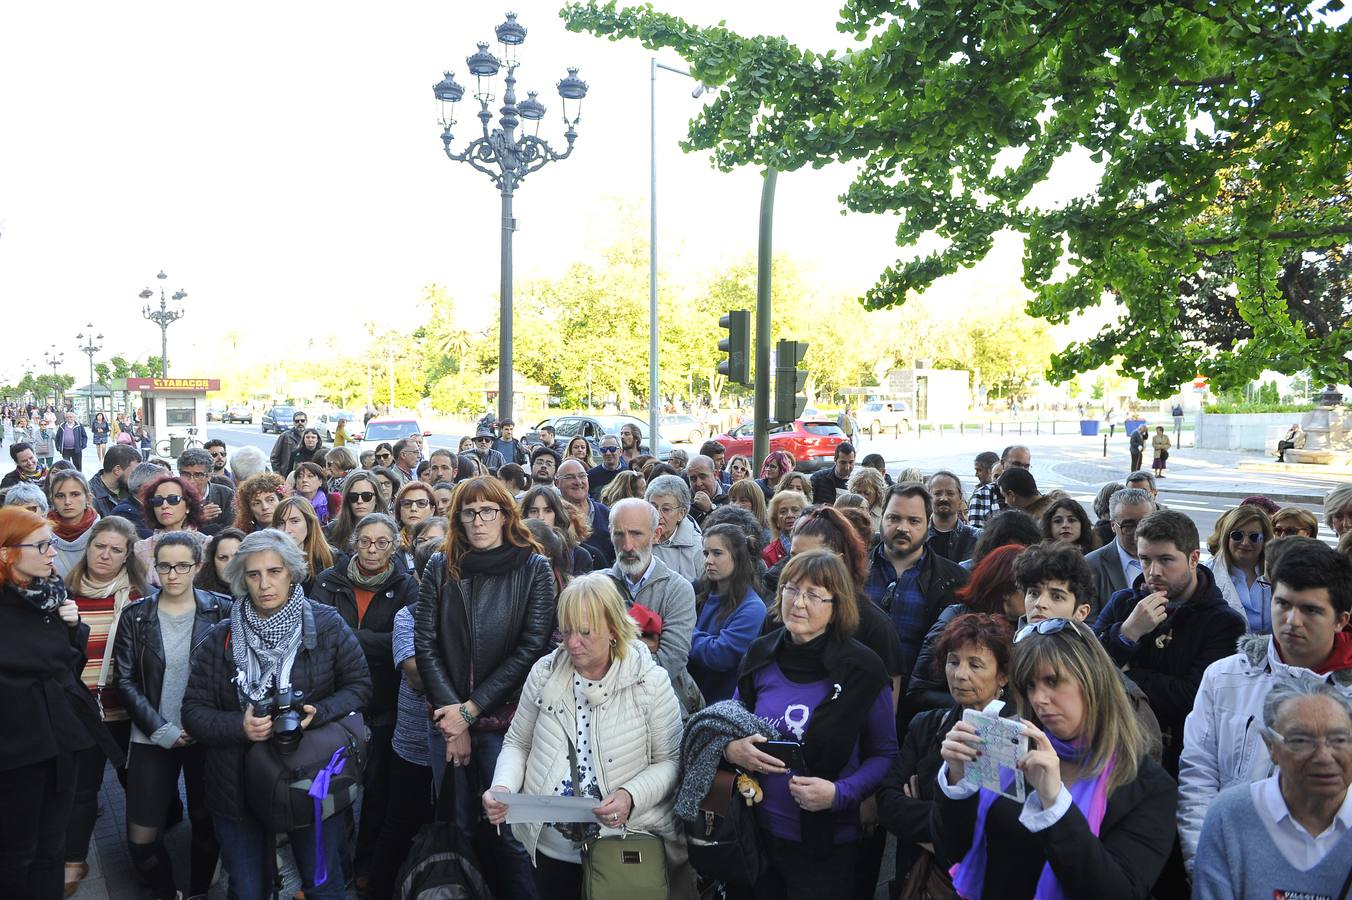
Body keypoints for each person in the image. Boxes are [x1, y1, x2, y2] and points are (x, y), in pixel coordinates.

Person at [181, 528, 372, 900]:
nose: (264, 584)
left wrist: (318, 714)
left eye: (274, 571)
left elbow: (360, 686)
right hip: (235, 783)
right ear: (241, 579)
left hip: (309, 777)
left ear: (291, 572)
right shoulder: (222, 636)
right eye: (253, 574)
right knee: (249, 889)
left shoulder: (326, 623)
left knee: (322, 885)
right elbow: (193, 711)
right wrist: (240, 726)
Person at [482, 573, 693, 899]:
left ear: (612, 629)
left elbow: (670, 760)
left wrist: (630, 795)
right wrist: (503, 786)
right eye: (566, 631)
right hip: (551, 846)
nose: (571, 643)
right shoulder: (544, 672)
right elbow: (518, 743)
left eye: (584, 632)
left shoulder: (649, 681)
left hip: (623, 843)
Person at [935, 617, 1176, 898]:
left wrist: (1055, 805)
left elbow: (1118, 891)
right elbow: (952, 850)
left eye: (1052, 681)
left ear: (1093, 680)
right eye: (1030, 686)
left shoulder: (1149, 786)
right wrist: (957, 781)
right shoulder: (1014, 744)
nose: (1039, 699)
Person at [722, 550, 897, 899]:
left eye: (814, 594)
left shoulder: (862, 669)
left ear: (837, 606)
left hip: (827, 842)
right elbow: (729, 720)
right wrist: (732, 748)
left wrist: (839, 794)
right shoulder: (760, 654)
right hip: (756, 835)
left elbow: (885, 753)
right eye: (790, 589)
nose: (798, 603)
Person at [414, 476, 554, 898]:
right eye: (469, 512)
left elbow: (531, 648)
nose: (478, 521)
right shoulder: (441, 565)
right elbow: (426, 644)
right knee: (457, 829)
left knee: (510, 829)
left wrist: (471, 711)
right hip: (448, 718)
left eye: (488, 511)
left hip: (507, 721)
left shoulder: (534, 567)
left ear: (506, 515)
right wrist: (454, 718)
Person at [1177, 537, 1352, 874]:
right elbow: (1198, 776)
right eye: (1282, 604)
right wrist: (1204, 864)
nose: (1291, 620)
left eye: (1310, 610)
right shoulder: (1224, 677)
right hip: (1229, 862)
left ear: (1341, 619)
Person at [0, 507, 125, 900]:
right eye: (41, 545)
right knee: (17, 850)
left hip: (62, 740)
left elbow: (69, 665)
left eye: (51, 543)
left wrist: (74, 628)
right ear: (7, 554)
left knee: (52, 845)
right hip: (17, 748)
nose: (53, 552)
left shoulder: (51, 596)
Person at [113, 532, 228, 900]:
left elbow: (233, 675)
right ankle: (166, 891)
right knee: (141, 838)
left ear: (197, 566)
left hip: (206, 734)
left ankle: (197, 891)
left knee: (206, 824)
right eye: (164, 566)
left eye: (182, 566)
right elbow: (126, 680)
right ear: (154, 567)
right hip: (152, 733)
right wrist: (159, 727)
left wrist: (207, 722)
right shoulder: (136, 615)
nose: (172, 574)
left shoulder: (222, 609)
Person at [311, 511, 419, 894]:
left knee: (376, 791)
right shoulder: (328, 581)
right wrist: (374, 639)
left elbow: (403, 642)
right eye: (365, 541)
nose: (372, 550)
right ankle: (333, 865)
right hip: (332, 705)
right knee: (331, 790)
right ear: (353, 543)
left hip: (383, 705)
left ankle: (365, 862)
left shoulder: (408, 587)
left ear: (395, 546)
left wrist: (351, 637)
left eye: (382, 543)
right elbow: (318, 636)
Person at [1093, 508, 1247, 775]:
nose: (1153, 571)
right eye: (1144, 560)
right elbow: (1088, 671)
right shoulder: (1123, 604)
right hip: (1116, 750)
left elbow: (1192, 697)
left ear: (1193, 559)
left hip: (1181, 761)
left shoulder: (1223, 622)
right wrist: (1127, 633)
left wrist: (1128, 675)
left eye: (1166, 560)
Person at [879, 613, 1013, 897]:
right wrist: (953, 831)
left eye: (975, 664)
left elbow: (998, 832)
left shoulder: (1015, 737)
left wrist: (925, 822)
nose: (960, 674)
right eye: (953, 662)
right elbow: (889, 804)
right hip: (920, 880)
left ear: (1002, 675)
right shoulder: (926, 725)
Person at [1192, 678, 1352, 899]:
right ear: (1270, 746)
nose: (1324, 757)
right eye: (1301, 741)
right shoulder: (1230, 814)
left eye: (1339, 740)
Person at [62, 515, 150, 894]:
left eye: (116, 550)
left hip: (124, 710)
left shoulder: (137, 597)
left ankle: (149, 851)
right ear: (89, 546)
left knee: (139, 787)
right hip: (81, 712)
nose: (106, 555)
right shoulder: (64, 593)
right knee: (83, 789)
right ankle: (73, 860)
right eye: (100, 546)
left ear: (127, 555)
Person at [865, 483, 970, 684]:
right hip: (854, 691)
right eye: (894, 518)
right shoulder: (851, 572)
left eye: (914, 521)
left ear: (927, 524)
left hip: (918, 701)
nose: (903, 528)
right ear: (882, 517)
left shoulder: (955, 580)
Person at [905, 544, 1027, 718]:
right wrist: (974, 706)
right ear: (1006, 590)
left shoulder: (1028, 629)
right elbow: (918, 692)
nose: (1037, 600)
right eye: (1030, 590)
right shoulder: (955, 617)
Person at [605, 498, 700, 708]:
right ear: (610, 534)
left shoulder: (678, 590)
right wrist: (646, 645)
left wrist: (610, 646)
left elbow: (669, 662)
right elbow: (584, 654)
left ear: (656, 535)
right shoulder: (598, 586)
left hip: (666, 703)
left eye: (636, 534)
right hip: (604, 703)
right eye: (619, 534)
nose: (627, 545)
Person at [690, 522, 767, 703]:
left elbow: (719, 654)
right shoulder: (698, 591)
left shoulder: (752, 608)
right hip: (688, 697)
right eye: (706, 553)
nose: (708, 560)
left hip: (719, 704)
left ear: (737, 557)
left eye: (717, 553)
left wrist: (678, 631)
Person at [1083, 487, 1158, 615]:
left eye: (1145, 523)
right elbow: (1088, 628)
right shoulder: (1090, 566)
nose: (1138, 532)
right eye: (1128, 526)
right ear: (1113, 526)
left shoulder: (1173, 560)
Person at [1204, 504, 1275, 633]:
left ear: (1265, 540)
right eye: (1237, 535)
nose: (1245, 543)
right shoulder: (1206, 573)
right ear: (1226, 537)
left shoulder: (1278, 572)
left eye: (1254, 537)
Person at [133, 473, 212, 586]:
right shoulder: (141, 549)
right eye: (157, 501)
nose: (164, 505)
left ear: (188, 506)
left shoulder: (207, 545)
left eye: (173, 499)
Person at [520, 484, 596, 576]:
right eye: (533, 511)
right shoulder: (514, 551)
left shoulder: (579, 556)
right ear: (525, 515)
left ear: (557, 514)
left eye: (547, 511)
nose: (540, 517)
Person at [556, 459, 615, 566]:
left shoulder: (605, 513)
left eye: (582, 476)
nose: (578, 482)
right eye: (570, 477)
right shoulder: (554, 516)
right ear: (557, 483)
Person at [273, 495, 335, 596]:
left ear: (309, 524)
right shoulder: (269, 562)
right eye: (281, 523)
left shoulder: (334, 560)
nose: (286, 530)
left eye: (294, 521)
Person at [646, 473, 703, 582]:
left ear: (682, 513)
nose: (657, 515)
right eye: (653, 507)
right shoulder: (635, 538)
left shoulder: (697, 548)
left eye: (666, 509)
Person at [47, 469, 100, 579]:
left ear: (88, 497)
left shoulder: (104, 532)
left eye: (75, 494)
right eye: (60, 496)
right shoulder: (40, 536)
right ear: (52, 500)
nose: (67, 502)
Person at [328, 470, 390, 552]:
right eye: (353, 496)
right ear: (347, 500)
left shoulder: (390, 530)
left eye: (367, 496)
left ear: (377, 499)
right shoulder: (332, 530)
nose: (360, 501)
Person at [177, 448, 235, 534]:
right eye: (186, 474)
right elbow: (170, 528)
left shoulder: (225, 494)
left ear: (210, 476)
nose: (191, 480)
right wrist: (197, 518)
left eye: (198, 475)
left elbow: (230, 530)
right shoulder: (173, 496)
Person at [926, 470, 980, 563]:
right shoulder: (917, 538)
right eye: (937, 493)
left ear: (960, 497)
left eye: (950, 493)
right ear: (928, 498)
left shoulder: (978, 539)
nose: (944, 498)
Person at [392, 480, 436, 570]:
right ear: (399, 510)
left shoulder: (444, 541)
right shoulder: (389, 543)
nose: (413, 508)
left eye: (421, 503)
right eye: (407, 503)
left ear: (432, 509)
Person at [763, 489, 808, 569]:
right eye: (783, 511)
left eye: (795, 510)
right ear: (776, 520)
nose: (789, 515)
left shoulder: (814, 545)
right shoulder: (768, 554)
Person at [196, 526, 245, 595]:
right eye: (223, 558)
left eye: (236, 557)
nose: (230, 564)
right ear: (212, 561)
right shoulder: (200, 598)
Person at [810, 442, 856, 506]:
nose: (847, 467)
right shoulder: (818, 478)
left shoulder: (857, 483)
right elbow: (808, 503)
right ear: (835, 460)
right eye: (843, 462)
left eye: (851, 462)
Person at [966, 451, 1003, 530]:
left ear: (990, 471)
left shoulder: (980, 495)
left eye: (979, 470)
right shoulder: (979, 493)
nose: (976, 474)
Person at [268, 409, 309, 476]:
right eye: (297, 421)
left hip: (305, 475)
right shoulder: (285, 436)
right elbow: (274, 456)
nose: (300, 423)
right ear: (293, 422)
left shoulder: (310, 436)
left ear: (306, 422)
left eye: (302, 420)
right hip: (286, 474)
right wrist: (278, 472)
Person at [292, 460, 331, 525]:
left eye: (310, 476)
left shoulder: (330, 501)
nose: (304, 480)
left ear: (320, 481)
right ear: (296, 482)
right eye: (300, 477)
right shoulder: (290, 503)